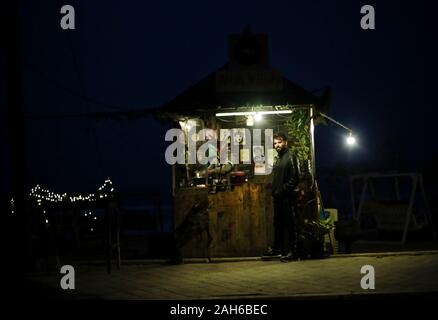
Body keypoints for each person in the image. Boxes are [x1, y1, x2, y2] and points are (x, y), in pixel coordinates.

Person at [262, 132, 300, 262]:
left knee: (291, 224)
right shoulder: (279, 158)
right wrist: (275, 191)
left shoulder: (291, 156)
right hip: (279, 198)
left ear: (285, 142)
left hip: (288, 198)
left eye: (279, 142)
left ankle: (293, 252)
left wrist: (282, 190)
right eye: (275, 143)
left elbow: (295, 177)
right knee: (278, 224)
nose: (277, 145)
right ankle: (278, 250)